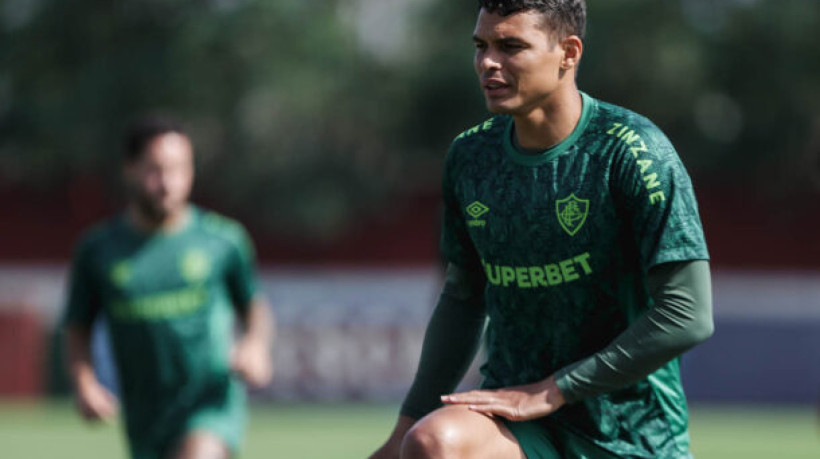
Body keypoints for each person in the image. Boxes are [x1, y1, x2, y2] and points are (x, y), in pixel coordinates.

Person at [371, 1, 713, 458]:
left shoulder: (633, 152)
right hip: (516, 425)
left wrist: (552, 389)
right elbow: (463, 297)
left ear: (568, 53)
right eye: (481, 45)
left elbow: (688, 314)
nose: (488, 62)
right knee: (433, 444)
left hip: (632, 434)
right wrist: (404, 427)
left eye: (511, 46)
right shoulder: (470, 157)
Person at [63, 115, 275, 459]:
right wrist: (84, 384)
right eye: (156, 170)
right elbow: (77, 325)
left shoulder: (222, 240)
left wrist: (255, 345)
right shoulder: (98, 250)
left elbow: (254, 306)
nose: (168, 183)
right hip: (144, 416)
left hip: (209, 405)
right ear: (129, 169)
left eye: (179, 169)